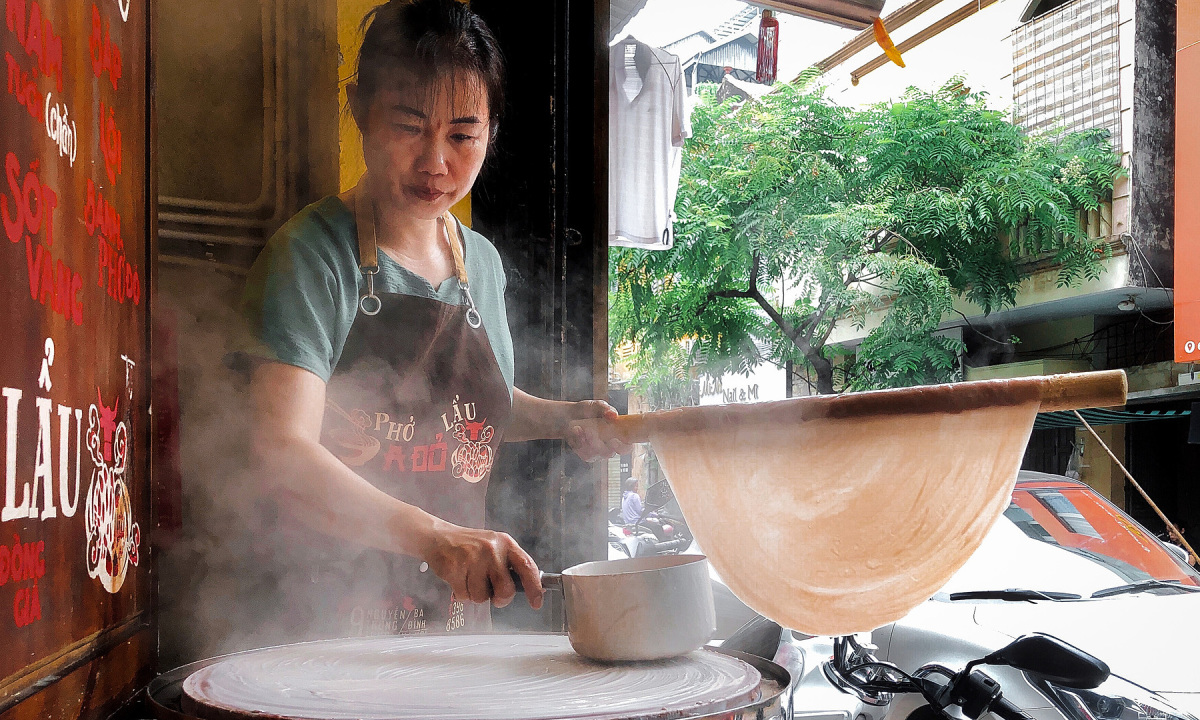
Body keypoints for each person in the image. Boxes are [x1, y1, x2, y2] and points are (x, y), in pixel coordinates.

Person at [239, 0, 629, 637]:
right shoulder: (312, 255)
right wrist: (437, 540)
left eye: (462, 135)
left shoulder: (482, 264)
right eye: (409, 126)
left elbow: (477, 411)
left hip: (453, 616)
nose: (435, 163)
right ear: (359, 107)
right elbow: (281, 451)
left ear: (491, 134)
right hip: (327, 612)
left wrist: (566, 419)